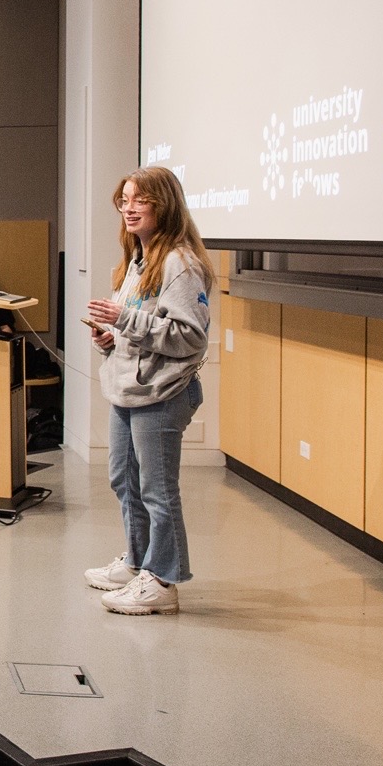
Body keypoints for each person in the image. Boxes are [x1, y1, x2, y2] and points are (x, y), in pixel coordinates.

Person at [86, 165, 211, 617]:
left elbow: (190, 336)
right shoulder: (135, 261)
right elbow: (139, 327)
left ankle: (163, 580)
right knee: (124, 479)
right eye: (124, 199)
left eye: (141, 200)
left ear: (165, 205)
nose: (129, 208)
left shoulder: (180, 263)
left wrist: (124, 322)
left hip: (161, 396)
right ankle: (139, 561)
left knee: (158, 490)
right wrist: (111, 338)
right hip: (128, 391)